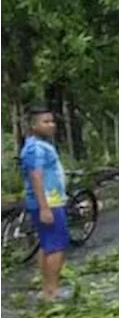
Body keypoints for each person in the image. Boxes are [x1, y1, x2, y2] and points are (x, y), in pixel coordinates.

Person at [20, 106, 70, 301]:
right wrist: (44, 207)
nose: (51, 125)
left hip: (52, 201)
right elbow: (36, 177)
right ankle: (52, 291)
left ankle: (47, 289)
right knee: (56, 246)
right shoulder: (35, 148)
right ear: (33, 125)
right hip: (48, 203)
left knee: (48, 244)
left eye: (52, 121)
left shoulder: (40, 145)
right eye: (45, 122)